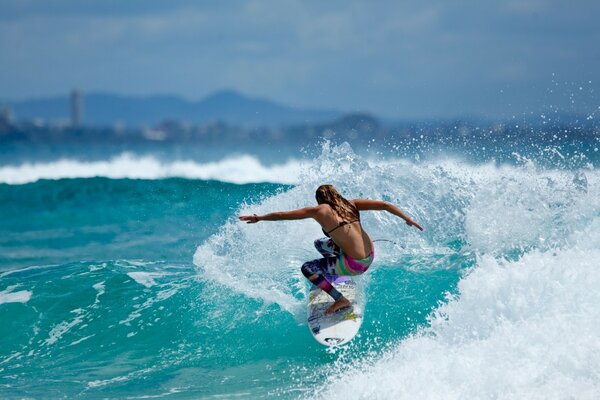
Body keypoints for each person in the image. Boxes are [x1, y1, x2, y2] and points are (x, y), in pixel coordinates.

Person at [239, 184, 424, 314]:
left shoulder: (320, 210)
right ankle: (336, 272)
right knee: (320, 243)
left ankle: (340, 299)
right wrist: (407, 219)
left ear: (320, 200)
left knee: (308, 269)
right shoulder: (351, 204)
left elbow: (282, 215)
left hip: (356, 265)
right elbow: (385, 205)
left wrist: (260, 218)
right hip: (370, 256)